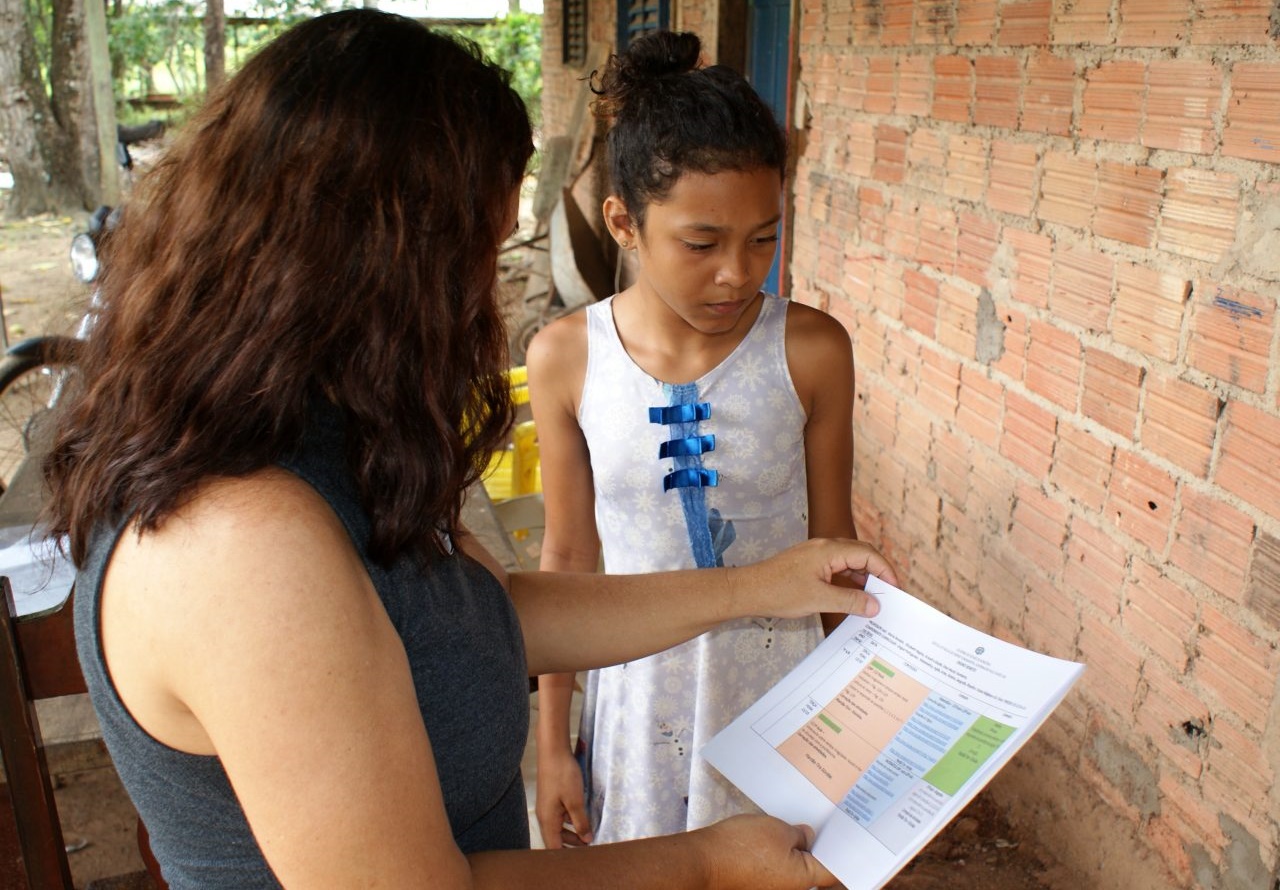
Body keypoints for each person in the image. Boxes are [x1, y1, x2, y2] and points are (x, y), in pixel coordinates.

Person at [40, 10, 894, 889]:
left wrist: (758, 586)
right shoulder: (239, 543)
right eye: (470, 261)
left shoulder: (320, 437)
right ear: (371, 265)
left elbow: (484, 622)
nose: (481, 301)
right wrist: (708, 864)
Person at [528, 29, 861, 850]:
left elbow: (835, 552)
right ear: (624, 224)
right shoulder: (568, 358)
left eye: (764, 238)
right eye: (702, 244)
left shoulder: (812, 350)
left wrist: (858, 737)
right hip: (638, 704)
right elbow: (568, 561)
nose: (739, 275)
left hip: (780, 696)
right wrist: (552, 748)